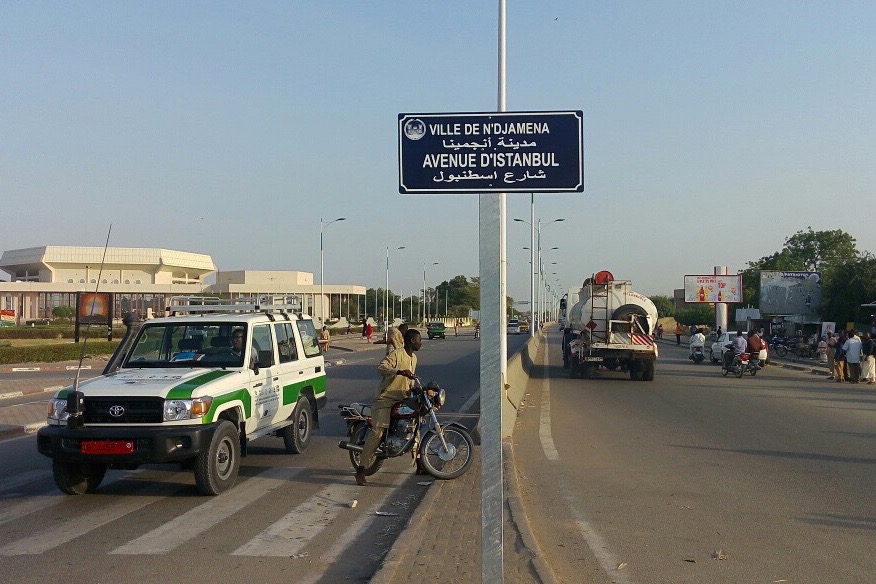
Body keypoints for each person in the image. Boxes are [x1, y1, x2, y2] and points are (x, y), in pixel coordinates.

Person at [355, 328, 422, 486]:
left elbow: (410, 379)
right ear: (412, 341)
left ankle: (420, 465)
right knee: (378, 432)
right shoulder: (397, 354)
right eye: (419, 340)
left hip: (403, 399)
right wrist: (398, 371)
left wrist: (415, 387)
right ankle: (360, 470)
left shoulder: (414, 358)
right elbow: (381, 367)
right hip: (386, 399)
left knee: (415, 428)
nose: (421, 342)